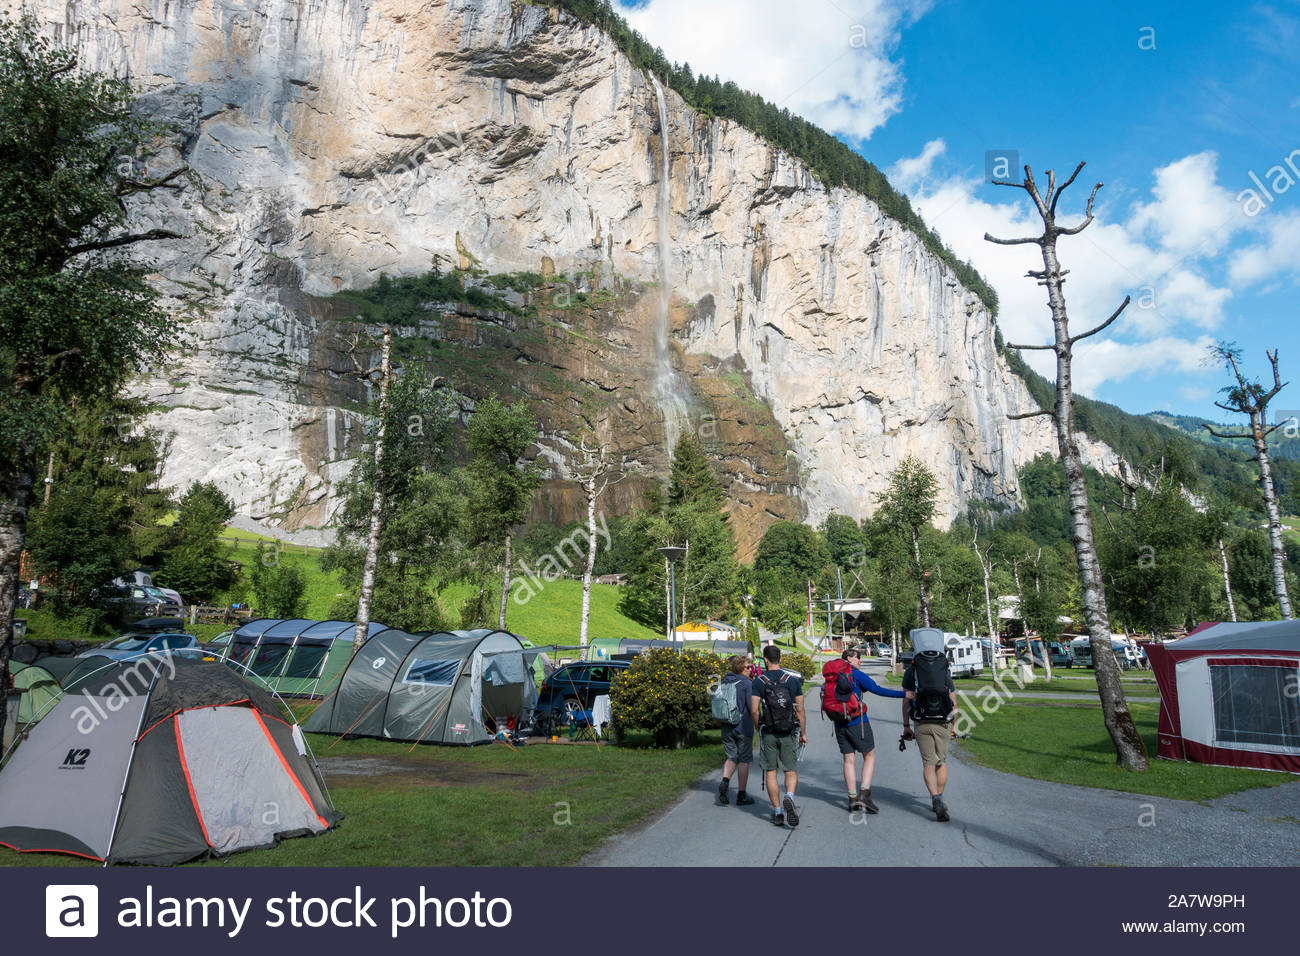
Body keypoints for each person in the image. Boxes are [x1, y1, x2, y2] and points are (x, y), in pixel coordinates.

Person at [834, 648, 907, 813]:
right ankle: (864, 795)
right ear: (849, 658)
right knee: (869, 755)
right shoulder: (856, 675)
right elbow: (878, 690)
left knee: (848, 760)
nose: (860, 660)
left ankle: (852, 799)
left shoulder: (833, 675)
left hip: (839, 723)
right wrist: (904, 695)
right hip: (858, 722)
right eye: (858, 657)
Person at [750, 644, 806, 827]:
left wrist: (759, 728)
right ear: (780, 659)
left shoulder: (759, 681)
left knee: (771, 771)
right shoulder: (792, 680)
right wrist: (802, 733)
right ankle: (789, 796)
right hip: (788, 731)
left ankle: (777, 812)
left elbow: (754, 710)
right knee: (790, 769)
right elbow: (800, 710)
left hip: (769, 731)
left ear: (765, 660)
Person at [901, 648, 959, 823]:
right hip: (943, 722)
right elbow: (954, 703)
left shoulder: (911, 673)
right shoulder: (944, 672)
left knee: (928, 763)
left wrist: (906, 726)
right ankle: (940, 797)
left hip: (922, 722)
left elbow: (906, 701)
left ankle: (935, 798)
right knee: (940, 762)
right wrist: (953, 728)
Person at [717, 655, 755, 807]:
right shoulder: (747, 683)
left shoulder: (724, 681)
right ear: (740, 668)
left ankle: (725, 781)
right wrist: (758, 724)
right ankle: (741, 795)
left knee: (731, 756)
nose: (750, 669)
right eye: (747, 667)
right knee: (744, 760)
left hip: (726, 726)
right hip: (743, 727)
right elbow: (752, 707)